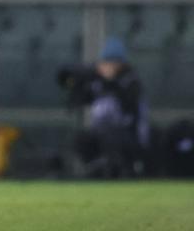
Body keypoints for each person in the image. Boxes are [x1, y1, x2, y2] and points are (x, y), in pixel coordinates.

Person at [57, 37, 150, 178]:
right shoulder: (98, 83)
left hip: (131, 135)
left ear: (121, 63)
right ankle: (97, 169)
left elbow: (130, 106)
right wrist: (78, 83)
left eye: (112, 62)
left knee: (109, 134)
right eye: (106, 62)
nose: (107, 66)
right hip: (102, 134)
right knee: (81, 139)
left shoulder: (131, 81)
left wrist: (110, 81)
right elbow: (83, 98)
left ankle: (121, 170)